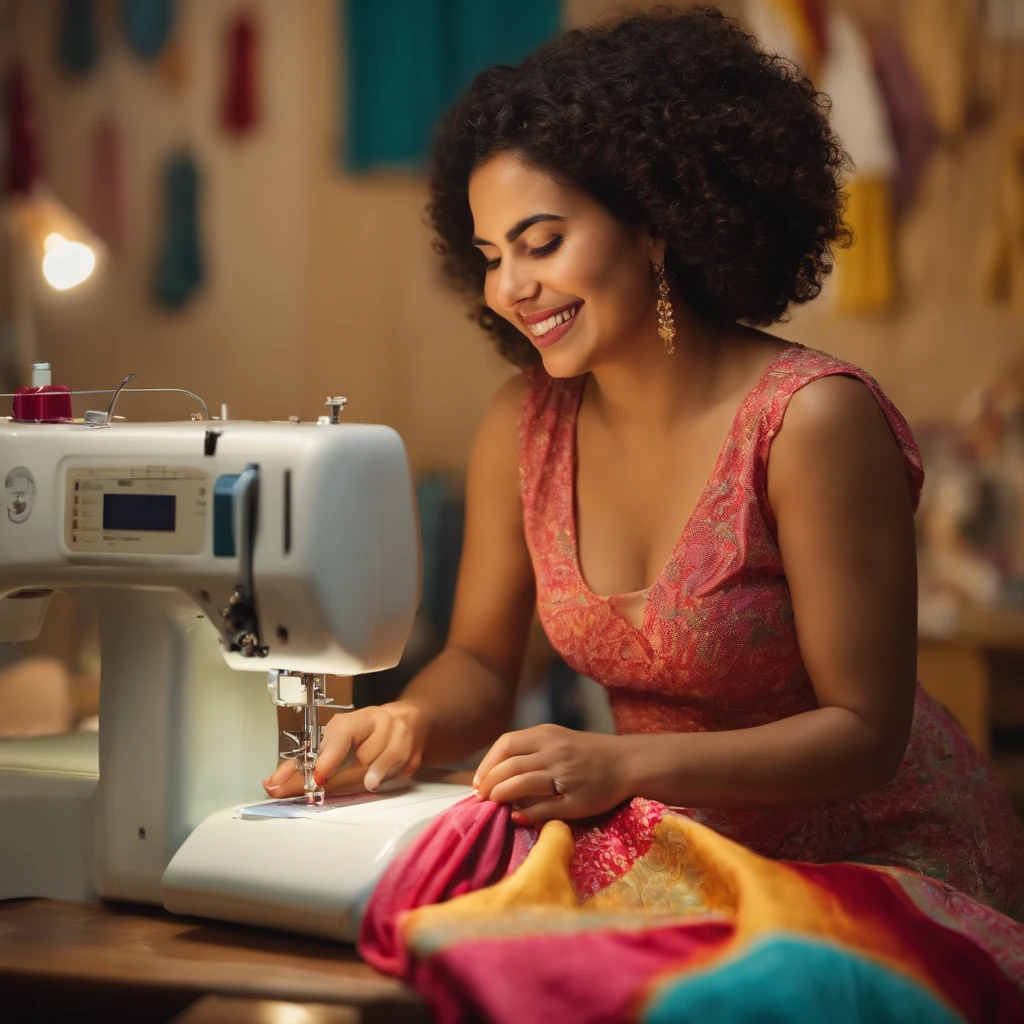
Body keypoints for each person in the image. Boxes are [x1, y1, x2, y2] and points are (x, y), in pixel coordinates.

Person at [263, 5, 1023, 925]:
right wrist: (412, 722)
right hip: (690, 854)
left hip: (883, 864)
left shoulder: (811, 421)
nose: (511, 287)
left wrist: (620, 763)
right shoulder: (523, 428)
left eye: (542, 243)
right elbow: (475, 660)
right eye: (492, 256)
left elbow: (864, 734)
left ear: (656, 221)